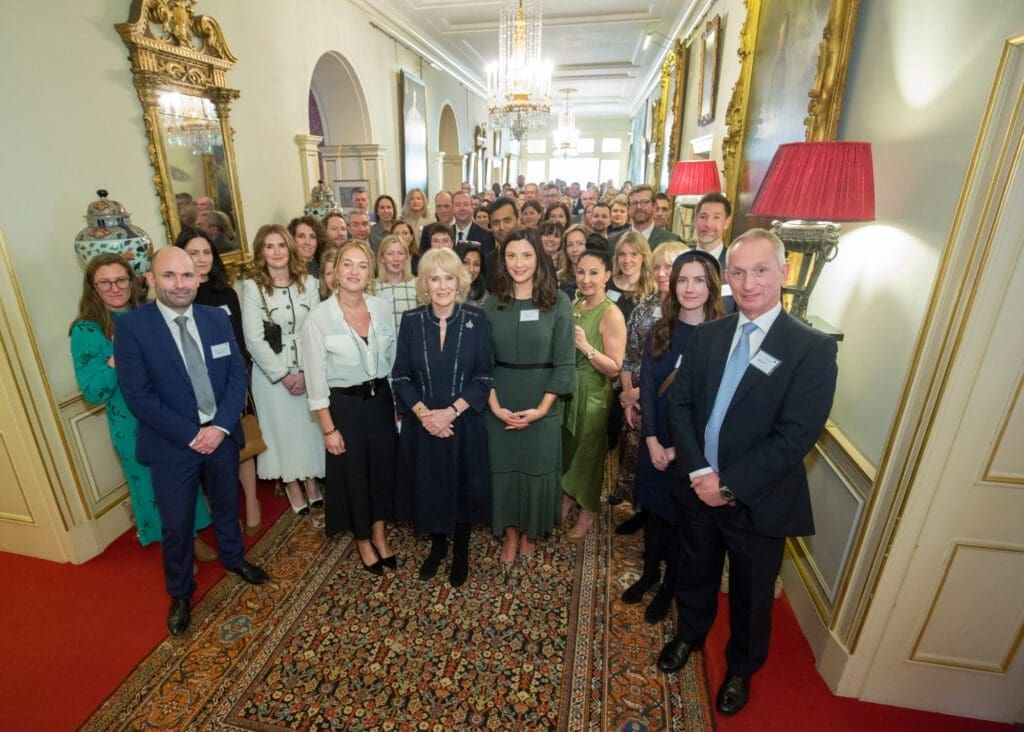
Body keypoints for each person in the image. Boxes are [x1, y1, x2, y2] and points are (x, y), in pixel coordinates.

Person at [658, 229, 838, 717]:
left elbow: (796, 436)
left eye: (760, 270)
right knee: (694, 571)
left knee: (753, 593)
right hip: (697, 487)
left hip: (758, 500)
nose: (748, 282)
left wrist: (728, 483)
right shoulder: (710, 334)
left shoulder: (810, 349)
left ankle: (741, 667)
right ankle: (690, 635)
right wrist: (699, 471)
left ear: (783, 272)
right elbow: (682, 404)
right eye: (737, 272)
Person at [114, 247, 268, 637]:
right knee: (177, 524)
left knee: (225, 503)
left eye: (186, 276)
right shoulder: (134, 328)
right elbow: (138, 395)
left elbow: (236, 372)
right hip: (172, 447)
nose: (179, 284)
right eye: (169, 276)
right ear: (151, 279)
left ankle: (234, 558)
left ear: (198, 278)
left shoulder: (215, 318)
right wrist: (190, 435)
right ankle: (181, 593)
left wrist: (220, 426)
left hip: (220, 435)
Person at [69, 253, 215, 559]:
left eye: (121, 279)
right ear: (93, 287)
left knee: (185, 477)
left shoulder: (151, 314)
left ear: (133, 281)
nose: (114, 288)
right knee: (152, 488)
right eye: (105, 282)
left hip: (169, 413)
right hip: (130, 424)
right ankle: (177, 548)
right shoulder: (86, 331)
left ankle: (193, 533)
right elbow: (93, 391)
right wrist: (117, 357)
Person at [625, 250, 724, 624]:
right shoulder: (660, 330)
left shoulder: (721, 336)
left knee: (682, 521)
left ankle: (669, 586)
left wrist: (675, 448)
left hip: (693, 449)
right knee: (654, 513)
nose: (689, 288)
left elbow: (713, 404)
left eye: (699, 280)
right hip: (656, 439)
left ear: (711, 285)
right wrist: (651, 438)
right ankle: (649, 573)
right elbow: (647, 389)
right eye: (683, 279)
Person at [392, 248, 493, 586]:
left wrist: (449, 413)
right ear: (424, 283)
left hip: (463, 422)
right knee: (430, 485)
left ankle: (461, 550)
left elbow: (484, 378)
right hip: (424, 425)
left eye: (448, 277)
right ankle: (437, 547)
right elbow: (401, 377)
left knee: (462, 486)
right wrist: (425, 416)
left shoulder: (477, 320)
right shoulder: (411, 320)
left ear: (459, 281)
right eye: (434, 278)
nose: (442, 285)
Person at [302, 241, 398, 575]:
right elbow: (315, 381)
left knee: (384, 472)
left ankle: (379, 533)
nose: (355, 271)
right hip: (345, 408)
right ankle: (362, 540)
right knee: (355, 477)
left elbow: (392, 359)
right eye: (347, 264)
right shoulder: (319, 318)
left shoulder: (383, 308)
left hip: (381, 403)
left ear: (370, 272)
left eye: (362, 265)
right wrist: (329, 429)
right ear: (336, 272)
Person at [485, 227, 575, 564]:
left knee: (537, 470)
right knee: (503, 470)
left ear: (539, 258)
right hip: (499, 401)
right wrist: (494, 406)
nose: (518, 263)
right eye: (511, 255)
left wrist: (541, 410)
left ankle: (530, 532)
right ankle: (509, 533)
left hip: (542, 402)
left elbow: (565, 362)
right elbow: (483, 362)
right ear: (502, 259)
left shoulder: (558, 302)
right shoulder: (492, 302)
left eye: (526, 255)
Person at [179, 233, 262, 535]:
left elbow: (239, 344)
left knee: (241, 445)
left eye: (206, 252)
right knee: (207, 452)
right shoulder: (178, 298)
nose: (201, 259)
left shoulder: (226, 294)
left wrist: (239, 390)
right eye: (193, 252)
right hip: (194, 393)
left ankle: (251, 502)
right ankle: (222, 510)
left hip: (229, 386)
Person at [241, 225, 325, 515]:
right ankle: (291, 484)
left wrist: (304, 370)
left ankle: (312, 481)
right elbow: (253, 338)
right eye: (269, 246)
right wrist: (284, 374)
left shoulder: (309, 282)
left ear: (290, 248)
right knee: (281, 434)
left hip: (307, 367)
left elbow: (316, 327)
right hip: (271, 375)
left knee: (309, 430)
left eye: (281, 245)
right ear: (261, 252)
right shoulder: (252, 287)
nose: (276, 252)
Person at [612, 241, 689, 530]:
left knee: (668, 465)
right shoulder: (644, 306)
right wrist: (627, 397)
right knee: (638, 458)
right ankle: (643, 510)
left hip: (669, 402)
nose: (660, 273)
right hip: (637, 398)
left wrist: (636, 393)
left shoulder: (693, 311)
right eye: (656, 266)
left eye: (668, 266)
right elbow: (629, 357)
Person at [560, 248, 627, 540]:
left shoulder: (611, 313)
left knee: (588, 454)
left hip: (593, 395)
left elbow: (614, 368)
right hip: (569, 390)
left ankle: (588, 510)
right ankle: (568, 495)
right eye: (581, 272)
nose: (586, 279)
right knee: (568, 449)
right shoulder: (576, 303)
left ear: (607, 276)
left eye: (594, 273)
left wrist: (586, 346)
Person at [693, 192, 737, 313]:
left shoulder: (736, 265)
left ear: (727, 222)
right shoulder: (679, 260)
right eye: (703, 217)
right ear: (695, 220)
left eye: (716, 217)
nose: (708, 224)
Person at [610, 184, 683, 250]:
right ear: (628, 209)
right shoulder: (614, 241)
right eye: (634, 203)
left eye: (644, 202)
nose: (639, 207)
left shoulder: (672, 241)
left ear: (654, 207)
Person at [375, 234, 418, 331]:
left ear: (407, 257)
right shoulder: (372, 287)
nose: (396, 259)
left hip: (411, 344)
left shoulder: (417, 284)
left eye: (400, 253)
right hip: (383, 345)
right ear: (382, 258)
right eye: (390, 254)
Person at [452, 190, 495, 256]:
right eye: (457, 205)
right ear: (452, 208)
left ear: (472, 207)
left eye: (466, 204)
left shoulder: (487, 236)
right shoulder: (446, 233)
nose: (462, 208)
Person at [557, 224, 590, 298]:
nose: (574, 249)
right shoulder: (557, 279)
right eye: (570, 245)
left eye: (580, 244)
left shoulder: (600, 278)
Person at [456, 242, 488, 307]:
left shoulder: (484, 295)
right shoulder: (443, 292)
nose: (471, 269)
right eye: (466, 263)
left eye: (476, 264)